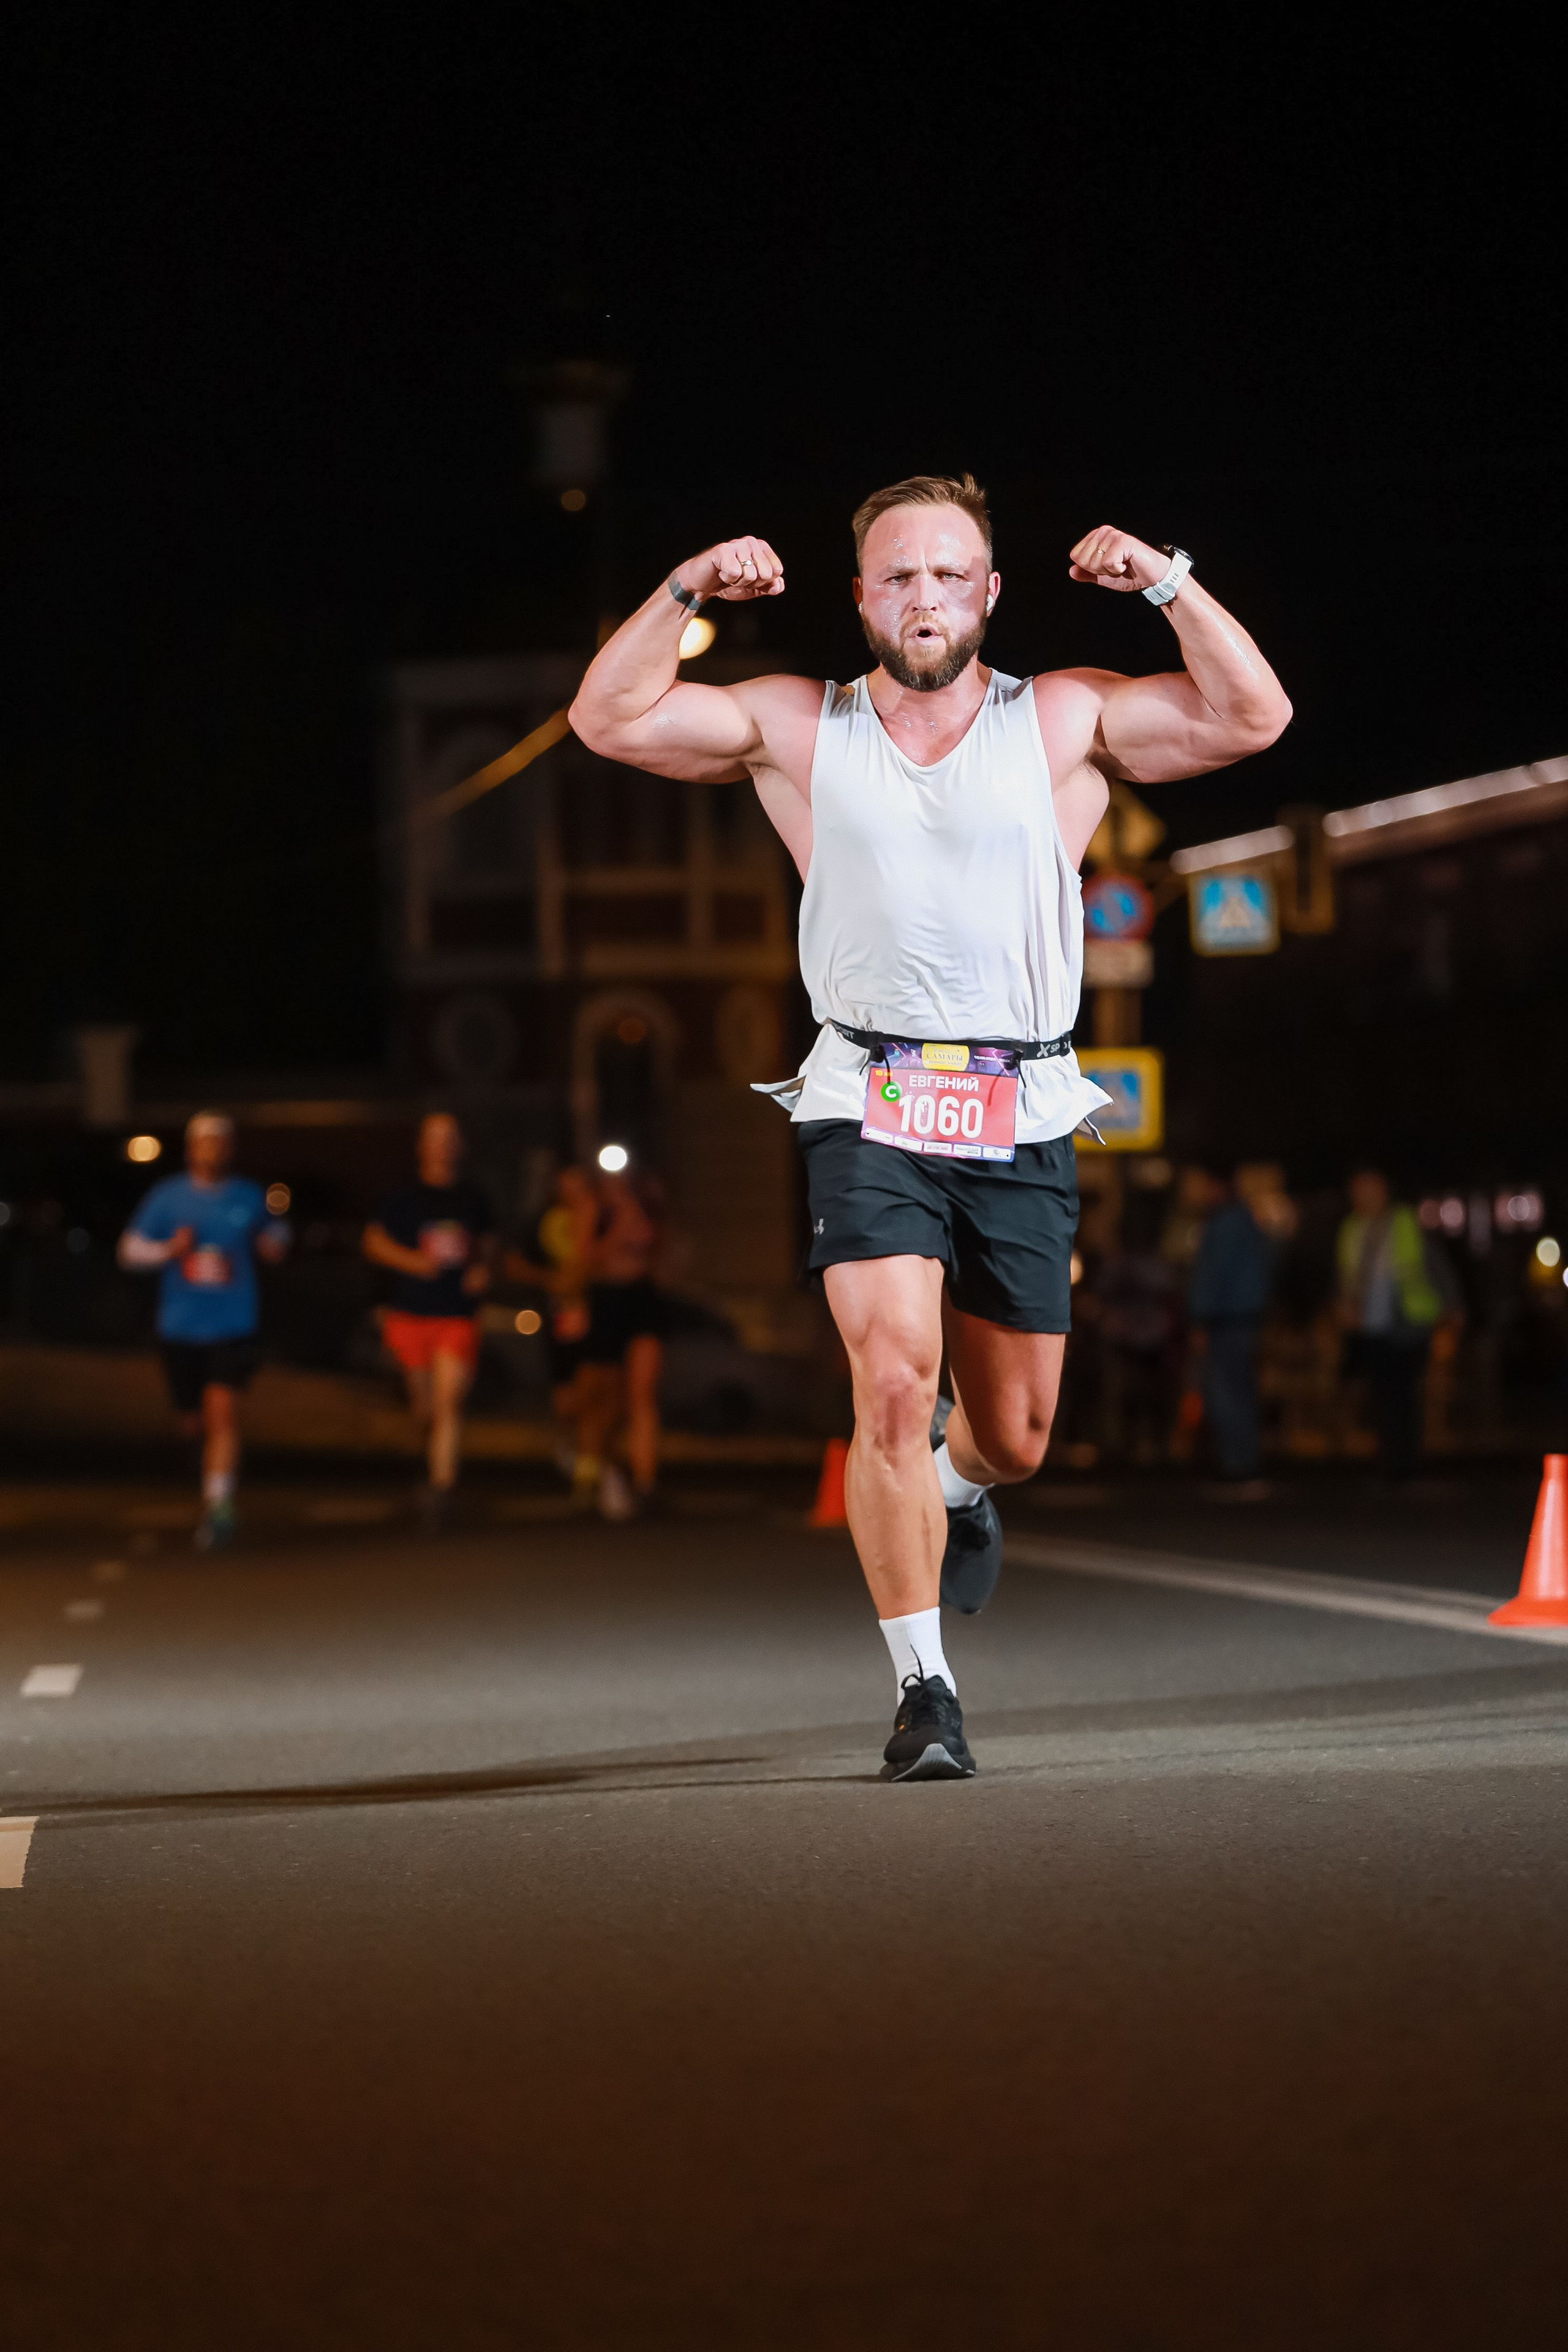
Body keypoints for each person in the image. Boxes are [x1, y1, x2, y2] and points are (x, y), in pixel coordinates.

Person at [570, 475, 1291, 1777]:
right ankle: (925, 1694)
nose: (923, 598)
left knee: (1013, 1435)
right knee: (892, 1380)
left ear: (988, 592)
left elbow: (1253, 714)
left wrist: (1166, 584)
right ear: (859, 598)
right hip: (867, 1098)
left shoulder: (1061, 717)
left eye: (948, 574)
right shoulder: (800, 725)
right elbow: (606, 717)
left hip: (1019, 1103)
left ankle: (958, 1494)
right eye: (897, 576)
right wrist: (683, 590)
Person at [117, 1110, 290, 1550]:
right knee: (192, 1422)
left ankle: (219, 1506)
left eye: (221, 1142)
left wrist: (274, 1244)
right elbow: (129, 1251)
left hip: (233, 1325)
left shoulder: (248, 1196)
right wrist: (168, 1250)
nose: (213, 1149)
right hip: (180, 1328)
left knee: (223, 1412)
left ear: (228, 1148)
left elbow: (277, 1232)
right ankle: (205, 1465)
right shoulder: (168, 1197)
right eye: (205, 1142)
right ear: (192, 1148)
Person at [363, 1112, 496, 1528]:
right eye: (434, 1138)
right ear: (422, 1147)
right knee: (425, 1410)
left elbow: (489, 1245)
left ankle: (442, 1488)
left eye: (450, 1138)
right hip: (411, 1312)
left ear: (461, 1146)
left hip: (456, 1314)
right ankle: (430, 1463)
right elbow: (373, 1242)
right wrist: (413, 1262)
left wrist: (482, 1268)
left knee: (449, 1402)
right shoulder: (403, 1197)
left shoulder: (474, 1197)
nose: (442, 1146)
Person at [1336, 1168, 1460, 1479]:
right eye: (1356, 1192)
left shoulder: (1406, 1223)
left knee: (1405, 1392)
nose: (1362, 1198)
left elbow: (1436, 1264)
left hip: (1408, 1322)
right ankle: (1389, 1459)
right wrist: (1344, 1306)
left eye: (1368, 1190)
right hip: (1369, 1326)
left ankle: (1406, 1461)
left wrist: (1453, 1305)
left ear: (1382, 1190)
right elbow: (1345, 1278)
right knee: (1381, 1393)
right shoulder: (1351, 1229)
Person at [573, 1166, 667, 1519]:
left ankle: (645, 1482)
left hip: (641, 1300)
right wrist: (617, 1229)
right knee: (605, 1398)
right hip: (606, 1300)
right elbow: (585, 1258)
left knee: (642, 1394)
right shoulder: (594, 1209)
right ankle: (598, 1470)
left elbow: (659, 1251)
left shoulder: (646, 1204)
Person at [1188, 1169, 1277, 1490]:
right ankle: (1243, 1459)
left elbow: (1214, 1274)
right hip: (1243, 1316)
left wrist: (1200, 1316)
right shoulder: (1245, 1220)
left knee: (1225, 1391)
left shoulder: (1224, 1223)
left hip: (1226, 1318)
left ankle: (1237, 1463)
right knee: (1239, 1388)